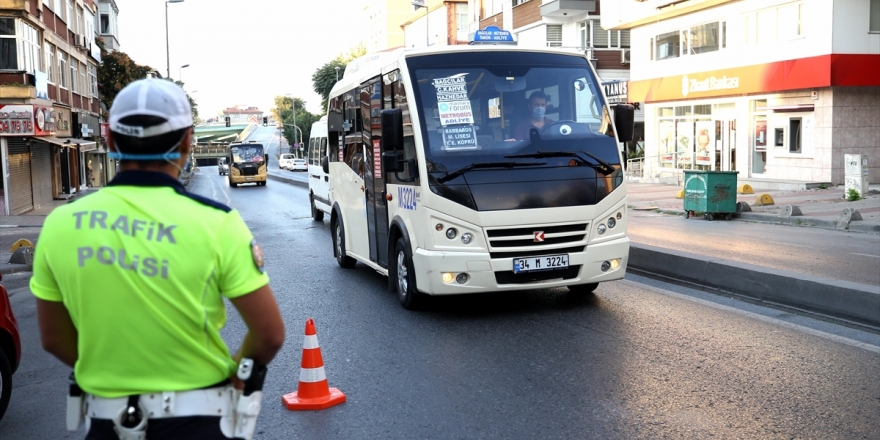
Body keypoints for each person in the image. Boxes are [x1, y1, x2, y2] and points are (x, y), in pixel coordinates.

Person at [30, 78, 285, 440]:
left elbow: (53, 339)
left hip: (107, 424)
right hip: (200, 423)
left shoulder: (59, 225)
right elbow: (269, 334)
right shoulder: (217, 222)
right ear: (187, 141)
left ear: (111, 140)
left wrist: (109, 371)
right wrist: (236, 374)